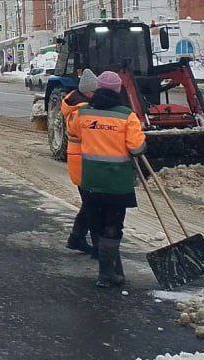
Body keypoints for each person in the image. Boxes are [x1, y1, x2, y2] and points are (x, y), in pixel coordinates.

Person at [67, 70, 146, 288]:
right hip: (117, 181)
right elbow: (136, 147)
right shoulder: (127, 116)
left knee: (98, 224)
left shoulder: (83, 114)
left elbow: (76, 134)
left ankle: (109, 273)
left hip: (91, 180)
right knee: (113, 225)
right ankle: (107, 274)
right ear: (118, 90)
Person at [62, 69, 98, 257]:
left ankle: (77, 237)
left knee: (90, 204)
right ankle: (95, 245)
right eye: (95, 91)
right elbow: (94, 136)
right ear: (88, 91)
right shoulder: (82, 113)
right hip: (84, 162)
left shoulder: (76, 107)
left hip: (79, 161)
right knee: (93, 205)